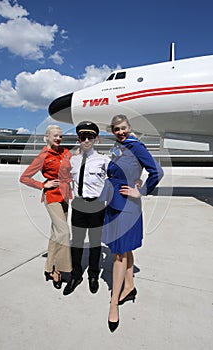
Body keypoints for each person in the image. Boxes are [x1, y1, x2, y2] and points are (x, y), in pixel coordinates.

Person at [99, 115, 164, 332]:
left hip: (128, 206)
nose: (120, 131)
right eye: (116, 129)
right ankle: (130, 286)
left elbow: (157, 171)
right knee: (123, 250)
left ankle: (113, 304)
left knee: (118, 254)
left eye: (123, 128)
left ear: (129, 127)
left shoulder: (135, 146)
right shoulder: (119, 147)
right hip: (114, 202)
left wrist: (142, 190)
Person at [20, 125, 72, 289]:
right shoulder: (43, 156)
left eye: (60, 136)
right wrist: (43, 184)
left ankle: (48, 268)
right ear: (47, 137)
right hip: (52, 197)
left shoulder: (65, 152)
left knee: (55, 234)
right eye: (55, 136)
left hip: (65, 196)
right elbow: (25, 177)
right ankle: (59, 270)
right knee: (64, 233)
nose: (58, 138)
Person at [63, 121, 110, 296]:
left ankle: (93, 276)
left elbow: (115, 179)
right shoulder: (73, 160)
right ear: (78, 139)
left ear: (96, 139)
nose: (86, 140)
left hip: (96, 205)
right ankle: (76, 275)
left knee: (95, 243)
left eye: (90, 136)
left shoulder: (104, 159)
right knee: (77, 242)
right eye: (83, 137)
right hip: (79, 204)